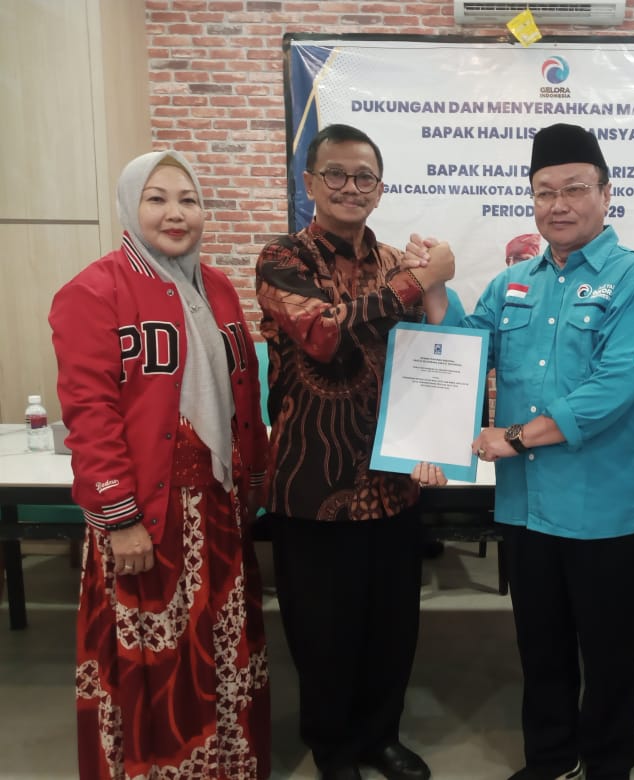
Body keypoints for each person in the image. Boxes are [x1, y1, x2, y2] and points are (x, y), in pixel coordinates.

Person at [416, 122, 634, 780]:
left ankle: (608, 764)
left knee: (609, 653)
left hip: (598, 508)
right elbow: (465, 354)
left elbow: (611, 391)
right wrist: (434, 287)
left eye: (574, 189)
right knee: (541, 645)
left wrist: (514, 437)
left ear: (605, 193)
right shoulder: (512, 284)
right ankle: (552, 760)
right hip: (526, 508)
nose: (559, 204)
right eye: (544, 191)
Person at [49, 150, 271, 779]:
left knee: (220, 647)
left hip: (217, 512)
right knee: (156, 655)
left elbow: (243, 395)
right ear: (129, 206)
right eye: (157, 198)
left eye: (188, 199)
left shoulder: (217, 288)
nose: (176, 213)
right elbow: (90, 413)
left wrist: (255, 479)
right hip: (147, 514)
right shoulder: (94, 291)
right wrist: (120, 519)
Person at [255, 123, 452, 780]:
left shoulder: (398, 262)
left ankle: (379, 737)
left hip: (392, 480)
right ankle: (333, 748)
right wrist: (418, 280)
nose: (349, 186)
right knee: (322, 632)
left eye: (363, 176)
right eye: (335, 173)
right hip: (312, 484)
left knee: (392, 627)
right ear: (309, 183)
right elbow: (321, 336)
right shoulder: (282, 259)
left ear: (380, 189)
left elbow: (435, 352)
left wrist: (433, 285)